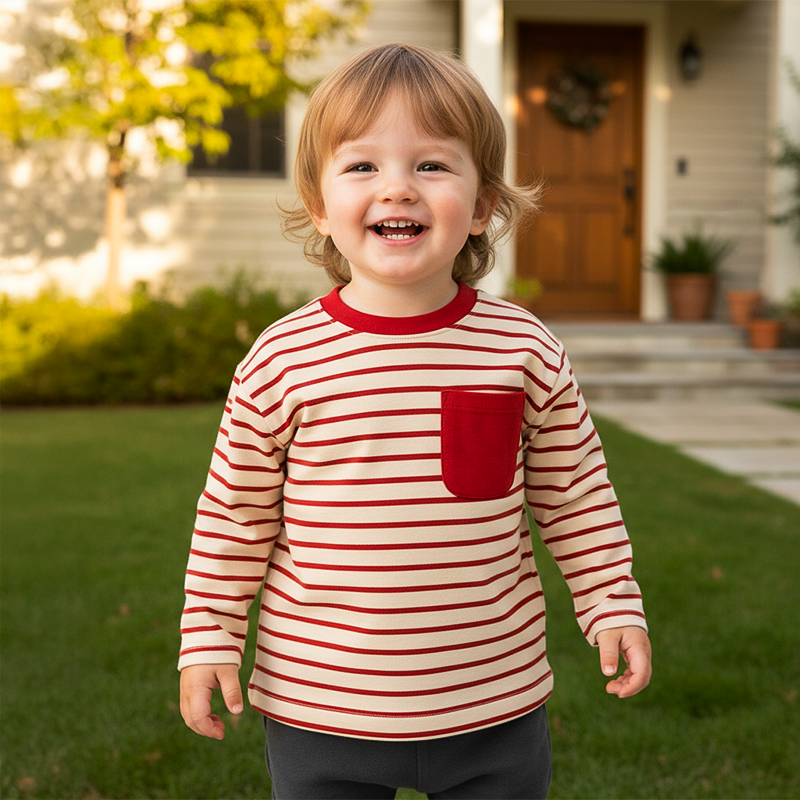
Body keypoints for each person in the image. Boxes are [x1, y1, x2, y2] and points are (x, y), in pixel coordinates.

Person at [179, 42, 651, 800]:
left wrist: (612, 600)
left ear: (485, 203)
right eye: (362, 166)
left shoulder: (522, 350)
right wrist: (208, 633)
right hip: (320, 705)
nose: (397, 188)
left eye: (431, 165)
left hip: (490, 701)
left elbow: (576, 496)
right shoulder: (282, 358)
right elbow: (234, 516)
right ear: (317, 204)